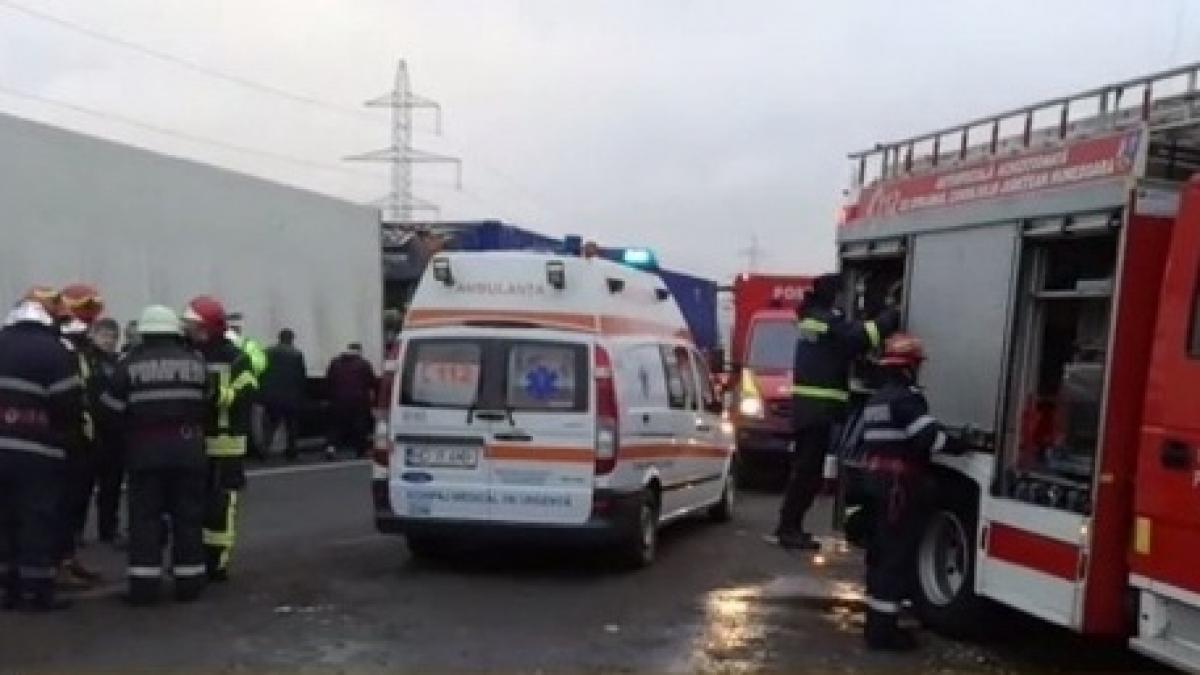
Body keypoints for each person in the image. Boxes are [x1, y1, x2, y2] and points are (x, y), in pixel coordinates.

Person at [858, 333, 967, 650]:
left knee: (879, 556)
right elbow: (928, 439)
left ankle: (875, 626)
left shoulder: (876, 400)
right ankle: (884, 634)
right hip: (899, 488)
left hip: (876, 484)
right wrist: (959, 443)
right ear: (909, 367)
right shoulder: (907, 399)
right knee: (895, 557)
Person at [776, 272, 900, 551]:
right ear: (833, 294)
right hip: (816, 411)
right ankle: (789, 528)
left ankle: (790, 526)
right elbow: (861, 336)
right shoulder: (824, 320)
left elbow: (839, 346)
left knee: (806, 472)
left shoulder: (813, 318)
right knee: (807, 474)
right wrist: (892, 316)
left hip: (811, 410)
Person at [101, 306, 210, 605]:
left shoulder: (128, 365)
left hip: (144, 453)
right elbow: (207, 404)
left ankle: (144, 588)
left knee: (145, 520)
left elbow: (109, 411)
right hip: (188, 451)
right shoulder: (195, 363)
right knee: (188, 518)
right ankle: (189, 584)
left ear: (144, 333)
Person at [0, 288, 82, 611]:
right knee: (37, 518)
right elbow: (68, 405)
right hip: (38, 451)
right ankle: (36, 590)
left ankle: (7, 588)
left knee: (4, 518)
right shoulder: (54, 351)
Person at [183, 295, 257, 582]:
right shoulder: (188, 353)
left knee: (221, 505)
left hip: (225, 443)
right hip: (195, 440)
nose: (189, 330)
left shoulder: (236, 358)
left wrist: (210, 392)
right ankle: (194, 556)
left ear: (209, 327)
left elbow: (243, 394)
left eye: (194, 325)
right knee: (193, 502)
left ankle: (217, 561)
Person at [55, 283, 106, 586]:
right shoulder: (63, 345)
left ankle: (69, 557)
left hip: (87, 436)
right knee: (64, 502)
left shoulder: (85, 347)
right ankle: (60, 561)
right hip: (70, 437)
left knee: (78, 501)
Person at [89, 318, 124, 545]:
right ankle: (74, 531)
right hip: (91, 431)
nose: (109, 341)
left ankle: (108, 529)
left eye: (112, 337)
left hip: (114, 434)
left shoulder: (119, 363)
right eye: (104, 336)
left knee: (111, 485)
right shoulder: (88, 361)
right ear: (94, 335)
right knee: (81, 486)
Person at [260, 329, 307, 460]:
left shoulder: (267, 352)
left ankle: (264, 451)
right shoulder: (297, 354)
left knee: (270, 425)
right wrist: (302, 394)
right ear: (291, 339)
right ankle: (292, 452)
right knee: (291, 425)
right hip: (291, 396)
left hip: (272, 395)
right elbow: (300, 376)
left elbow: (261, 372)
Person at [324, 343, 377, 460]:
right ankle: (361, 451)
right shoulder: (364, 364)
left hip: (337, 400)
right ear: (359, 351)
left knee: (335, 426)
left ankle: (330, 448)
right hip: (358, 401)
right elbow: (372, 382)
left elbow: (328, 381)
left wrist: (330, 397)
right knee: (360, 426)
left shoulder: (335, 363)